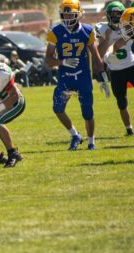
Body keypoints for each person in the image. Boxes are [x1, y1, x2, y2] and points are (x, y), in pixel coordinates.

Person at [45, 0, 108, 151]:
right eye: (64, 14)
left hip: (83, 77)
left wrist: (103, 78)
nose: (67, 18)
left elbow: (96, 55)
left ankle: (91, 141)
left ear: (78, 15)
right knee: (58, 108)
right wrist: (63, 61)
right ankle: (75, 135)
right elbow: (48, 60)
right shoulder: (56, 31)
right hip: (65, 77)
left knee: (87, 111)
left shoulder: (87, 30)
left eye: (70, 14)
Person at [98, 3, 134, 136]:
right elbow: (100, 53)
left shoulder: (129, 26)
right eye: (112, 14)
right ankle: (129, 129)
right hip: (115, 71)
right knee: (121, 102)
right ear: (107, 15)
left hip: (131, 66)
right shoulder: (102, 29)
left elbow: (119, 44)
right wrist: (107, 39)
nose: (115, 17)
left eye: (118, 13)